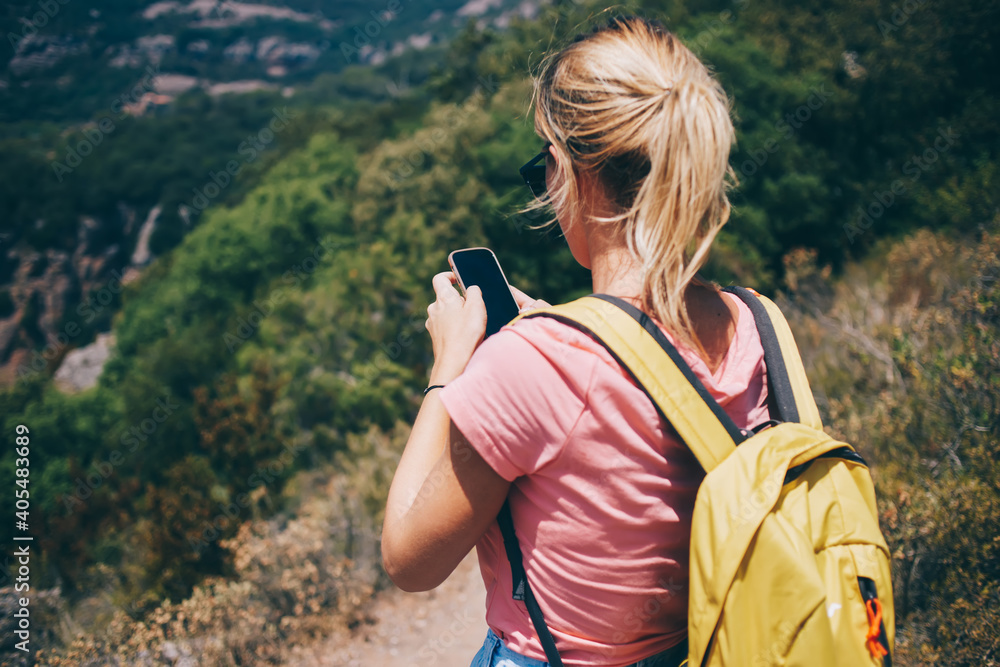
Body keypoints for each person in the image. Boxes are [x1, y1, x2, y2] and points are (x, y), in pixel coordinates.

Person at [381, 15, 770, 667]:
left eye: (544, 164)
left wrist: (450, 368)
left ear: (569, 169)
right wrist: (555, 336)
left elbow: (408, 558)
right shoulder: (755, 325)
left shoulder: (536, 367)